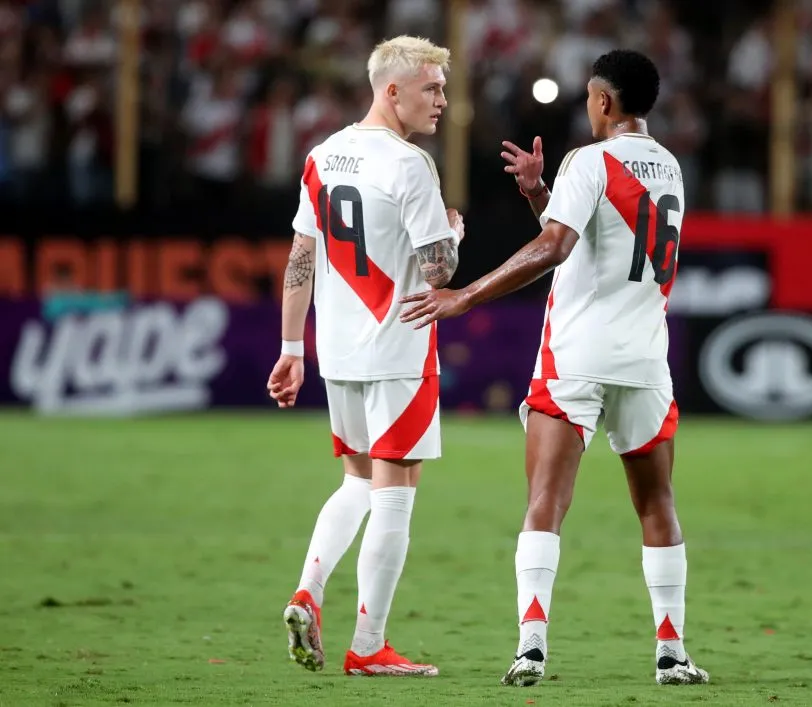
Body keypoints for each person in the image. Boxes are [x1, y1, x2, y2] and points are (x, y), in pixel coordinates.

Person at [399, 49, 709, 687]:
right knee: (657, 504)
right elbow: (600, 241)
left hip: (577, 355)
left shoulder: (590, 161)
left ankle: (531, 647)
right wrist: (542, 192)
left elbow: (555, 248)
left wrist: (464, 294)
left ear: (603, 101)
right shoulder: (671, 168)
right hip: (647, 358)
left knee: (545, 502)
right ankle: (672, 653)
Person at [267, 35, 465, 677]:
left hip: (341, 352)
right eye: (432, 89)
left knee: (357, 480)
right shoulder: (409, 165)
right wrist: (455, 234)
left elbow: (301, 256)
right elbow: (439, 272)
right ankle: (369, 644)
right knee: (397, 492)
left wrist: (291, 347)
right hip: (400, 348)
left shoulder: (323, 155)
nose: (442, 101)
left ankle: (307, 591)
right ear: (392, 91)